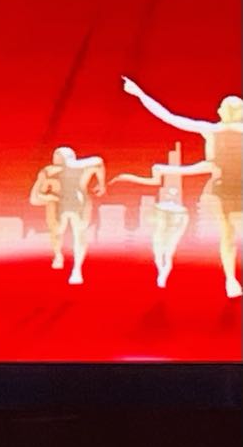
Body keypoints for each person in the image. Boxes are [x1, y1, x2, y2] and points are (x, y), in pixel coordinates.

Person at [122, 79, 243, 298]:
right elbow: (171, 118)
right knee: (227, 234)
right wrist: (140, 94)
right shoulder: (212, 130)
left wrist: (140, 94)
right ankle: (230, 280)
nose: (222, 111)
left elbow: (170, 117)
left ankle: (230, 280)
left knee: (227, 234)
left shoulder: (212, 130)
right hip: (223, 189)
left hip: (223, 188)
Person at [109, 151, 220, 288]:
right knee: (162, 248)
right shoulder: (164, 170)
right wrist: (126, 177)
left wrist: (126, 177)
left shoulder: (196, 169)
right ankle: (161, 274)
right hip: (169, 211)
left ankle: (162, 275)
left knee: (166, 249)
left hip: (176, 212)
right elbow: (152, 180)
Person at [28, 147, 105, 285]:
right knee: (57, 231)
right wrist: (50, 198)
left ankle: (77, 269)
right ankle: (58, 255)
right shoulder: (49, 172)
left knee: (79, 233)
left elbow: (98, 162)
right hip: (59, 203)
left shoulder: (82, 168)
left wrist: (101, 184)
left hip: (78, 203)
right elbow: (34, 198)